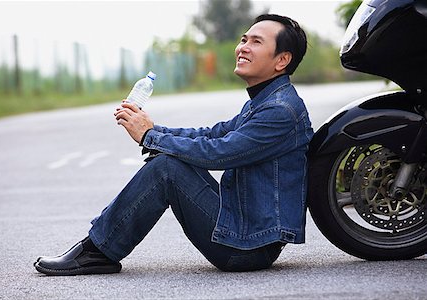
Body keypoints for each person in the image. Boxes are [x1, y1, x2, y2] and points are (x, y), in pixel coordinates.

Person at [34, 13, 313, 276]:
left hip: (247, 248)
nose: (243, 47)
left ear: (281, 60)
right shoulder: (265, 101)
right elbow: (214, 134)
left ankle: (96, 251)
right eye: (243, 39)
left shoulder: (280, 110)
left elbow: (222, 153)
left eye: (256, 42)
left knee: (167, 168)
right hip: (243, 232)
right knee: (167, 160)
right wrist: (155, 129)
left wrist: (149, 138)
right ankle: (96, 248)